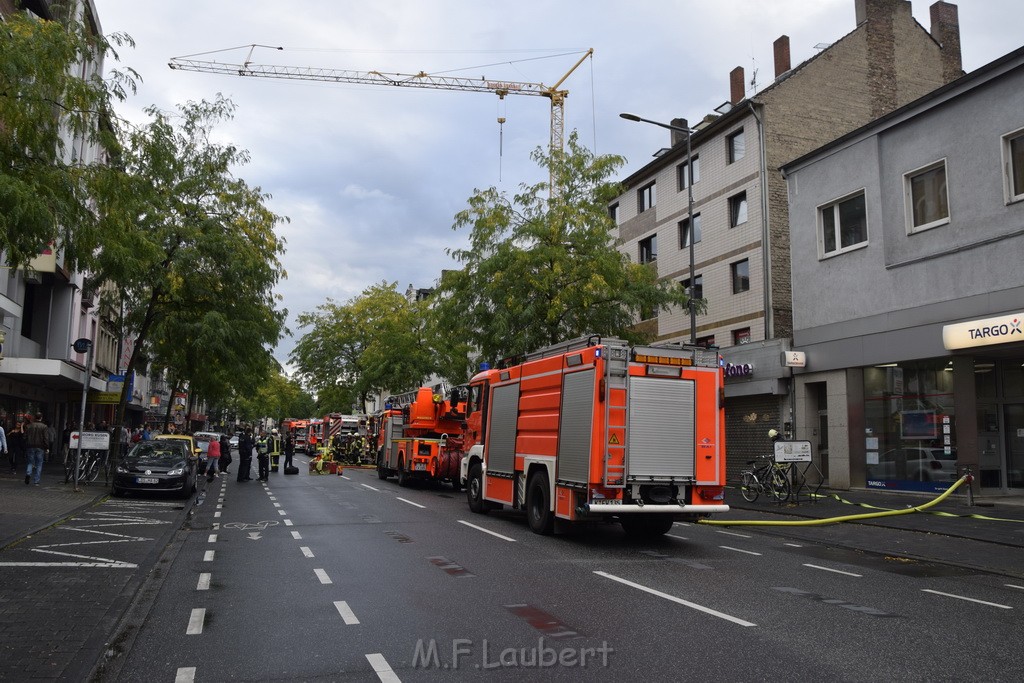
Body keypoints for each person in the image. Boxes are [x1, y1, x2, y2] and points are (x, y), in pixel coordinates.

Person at [24, 414, 51, 486]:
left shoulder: (29, 426)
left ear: (35, 418)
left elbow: (24, 437)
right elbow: (46, 438)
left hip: (30, 446)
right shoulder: (44, 426)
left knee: (30, 462)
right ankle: (36, 481)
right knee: (39, 463)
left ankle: (28, 473)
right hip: (40, 447)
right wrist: (47, 447)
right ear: (41, 418)